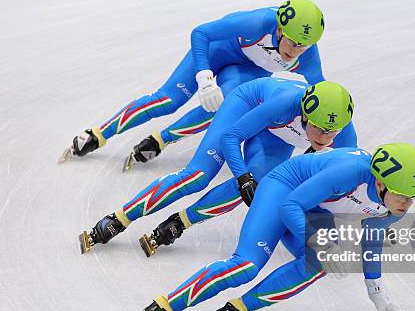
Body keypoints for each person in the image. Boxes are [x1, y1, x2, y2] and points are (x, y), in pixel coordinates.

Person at [119, 143, 415, 311]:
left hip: (312, 209)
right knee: (246, 266)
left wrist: (375, 287)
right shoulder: (349, 174)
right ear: (379, 182)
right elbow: (290, 207)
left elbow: (372, 236)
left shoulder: (393, 205)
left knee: (318, 263)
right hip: (283, 193)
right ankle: (162, 308)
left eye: (412, 198)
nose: (408, 204)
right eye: (403, 196)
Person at [79, 78, 357, 255]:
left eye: (332, 133)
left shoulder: (343, 134)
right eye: (319, 130)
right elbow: (231, 137)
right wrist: (241, 176)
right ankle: (120, 217)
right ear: (305, 115)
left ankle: (181, 222)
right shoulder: (285, 104)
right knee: (199, 176)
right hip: (247, 106)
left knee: (256, 186)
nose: (325, 138)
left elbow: (338, 192)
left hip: (277, 136)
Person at [59, 0, 326, 166]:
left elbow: (321, 98)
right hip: (218, 50)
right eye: (292, 42)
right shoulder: (257, 23)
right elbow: (201, 32)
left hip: (248, 71)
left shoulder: (308, 58)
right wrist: (204, 76)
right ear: (279, 29)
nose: (295, 51)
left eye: (304, 46)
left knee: (222, 109)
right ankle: (99, 133)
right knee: (168, 100)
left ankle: (161, 140)